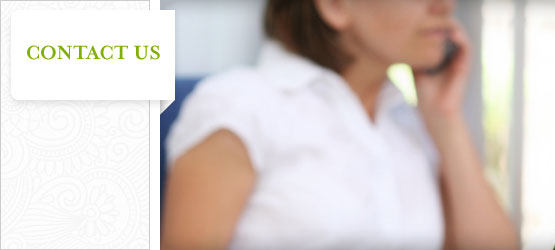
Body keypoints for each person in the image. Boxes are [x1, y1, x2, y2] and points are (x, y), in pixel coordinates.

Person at [161, 0, 519, 249]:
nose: (445, 5)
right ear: (334, 5)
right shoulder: (241, 105)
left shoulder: (408, 123)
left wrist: (446, 119)